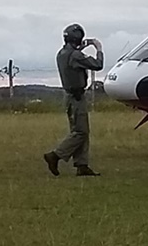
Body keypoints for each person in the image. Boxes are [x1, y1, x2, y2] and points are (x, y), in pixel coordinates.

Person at [43, 23, 104, 176]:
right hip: (77, 97)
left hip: (69, 97)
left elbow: (72, 59)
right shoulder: (76, 56)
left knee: (79, 130)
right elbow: (98, 65)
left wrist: (79, 49)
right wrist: (98, 49)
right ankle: (55, 155)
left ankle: (82, 165)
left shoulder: (61, 54)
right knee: (81, 132)